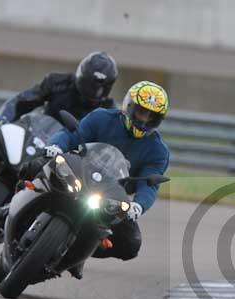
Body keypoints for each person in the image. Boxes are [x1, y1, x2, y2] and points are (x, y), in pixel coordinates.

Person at [40, 80, 170, 276]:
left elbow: (149, 185)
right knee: (35, 164)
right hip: (78, 172)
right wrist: (57, 146)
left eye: (151, 116)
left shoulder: (158, 151)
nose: (144, 119)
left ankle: (80, 254)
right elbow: (72, 134)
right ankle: (9, 206)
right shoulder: (101, 117)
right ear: (129, 106)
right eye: (141, 111)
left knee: (131, 244)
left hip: (110, 196)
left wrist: (139, 206)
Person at [0, 51, 119, 150]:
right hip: (35, 139)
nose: (94, 92)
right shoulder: (57, 82)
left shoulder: (109, 110)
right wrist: (2, 118)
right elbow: (22, 100)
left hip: (69, 157)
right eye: (90, 85)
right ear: (81, 77)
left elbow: (112, 145)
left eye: (101, 88)